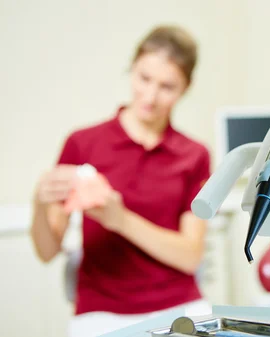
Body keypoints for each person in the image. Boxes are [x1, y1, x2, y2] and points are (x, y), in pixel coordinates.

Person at [29, 25, 211, 336]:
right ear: (132, 69)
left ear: (186, 88)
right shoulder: (83, 144)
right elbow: (47, 252)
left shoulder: (195, 155)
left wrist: (120, 219)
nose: (150, 97)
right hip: (101, 311)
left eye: (167, 86)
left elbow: (190, 256)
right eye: (144, 78)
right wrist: (39, 201)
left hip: (179, 307)